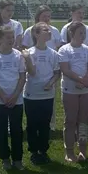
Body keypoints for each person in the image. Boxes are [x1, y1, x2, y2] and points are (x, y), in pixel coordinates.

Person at [0, 25, 28, 170]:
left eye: (12, 37)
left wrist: (15, 95)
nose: (11, 40)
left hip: (16, 100)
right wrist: (4, 97)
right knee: (1, 130)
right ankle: (5, 158)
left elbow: (22, 77)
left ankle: (17, 159)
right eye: (8, 37)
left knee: (17, 130)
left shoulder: (18, 55)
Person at [58, 22, 88, 162]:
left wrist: (86, 80)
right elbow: (65, 69)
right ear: (71, 33)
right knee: (70, 120)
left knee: (83, 121)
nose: (83, 35)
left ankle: (83, 150)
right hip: (70, 90)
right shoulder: (64, 50)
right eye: (80, 33)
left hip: (86, 90)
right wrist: (80, 80)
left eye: (84, 33)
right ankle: (69, 152)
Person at [23, 22, 60, 166]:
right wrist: (27, 58)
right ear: (36, 34)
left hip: (47, 95)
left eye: (49, 30)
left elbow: (57, 73)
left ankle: (43, 150)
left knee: (45, 124)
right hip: (32, 94)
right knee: (32, 124)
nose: (49, 32)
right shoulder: (29, 53)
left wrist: (50, 83)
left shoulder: (53, 53)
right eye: (45, 30)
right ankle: (33, 151)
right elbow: (31, 73)